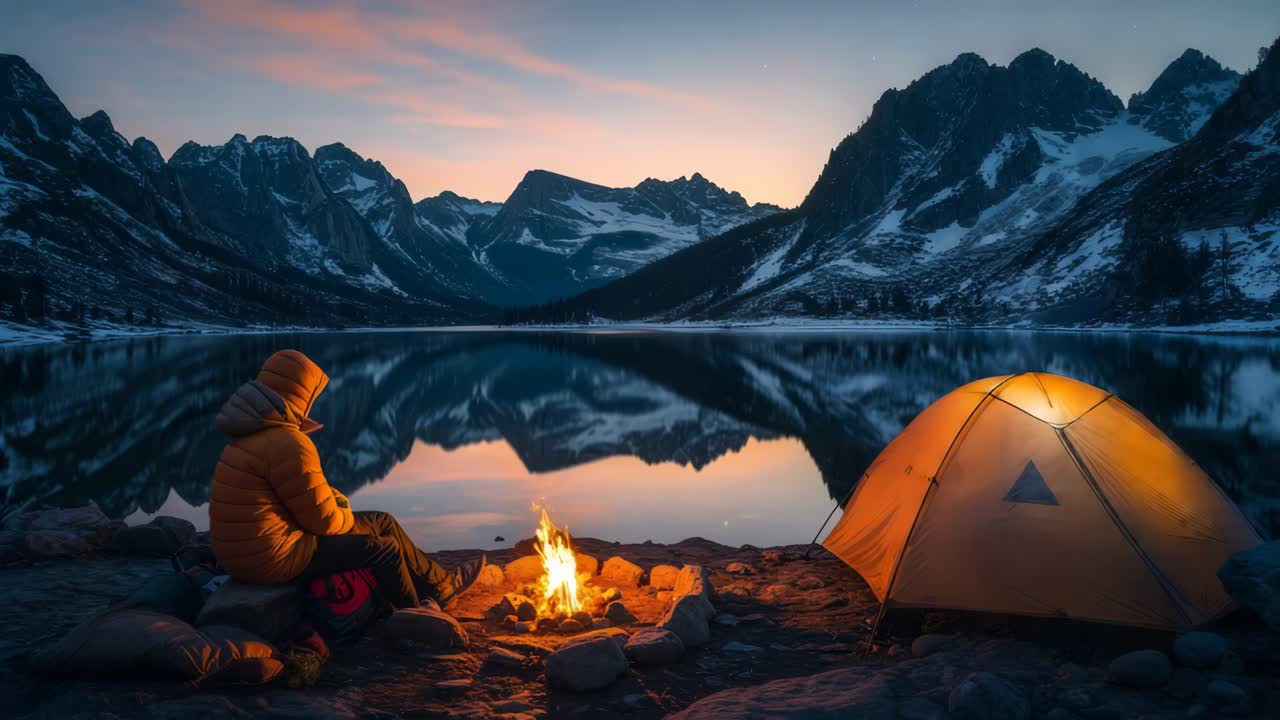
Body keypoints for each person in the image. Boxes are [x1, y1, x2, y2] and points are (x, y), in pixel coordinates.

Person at [208, 349, 484, 609]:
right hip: (274, 560)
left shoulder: (246, 435)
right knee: (383, 549)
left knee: (381, 521)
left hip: (243, 557)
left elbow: (291, 498)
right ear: (300, 394)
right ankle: (413, 615)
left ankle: (440, 587)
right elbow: (324, 522)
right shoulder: (288, 442)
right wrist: (343, 512)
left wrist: (334, 502)